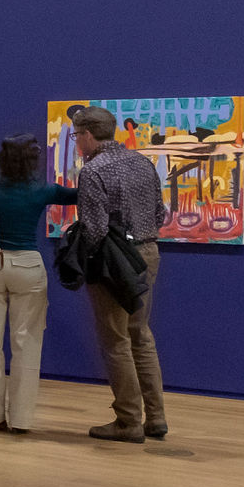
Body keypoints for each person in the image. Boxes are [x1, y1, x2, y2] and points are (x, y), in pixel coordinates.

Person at [69, 103, 170, 442]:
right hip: (147, 253)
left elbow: (95, 230)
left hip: (113, 259)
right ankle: (156, 417)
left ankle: (129, 421)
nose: (76, 143)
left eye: (76, 136)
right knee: (140, 335)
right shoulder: (142, 162)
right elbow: (159, 214)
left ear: (86, 135)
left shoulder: (93, 171)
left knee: (116, 340)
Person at [0, 135, 76, 434]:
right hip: (29, 266)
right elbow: (75, 196)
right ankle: (21, 421)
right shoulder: (41, 189)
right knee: (27, 344)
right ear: (32, 159)